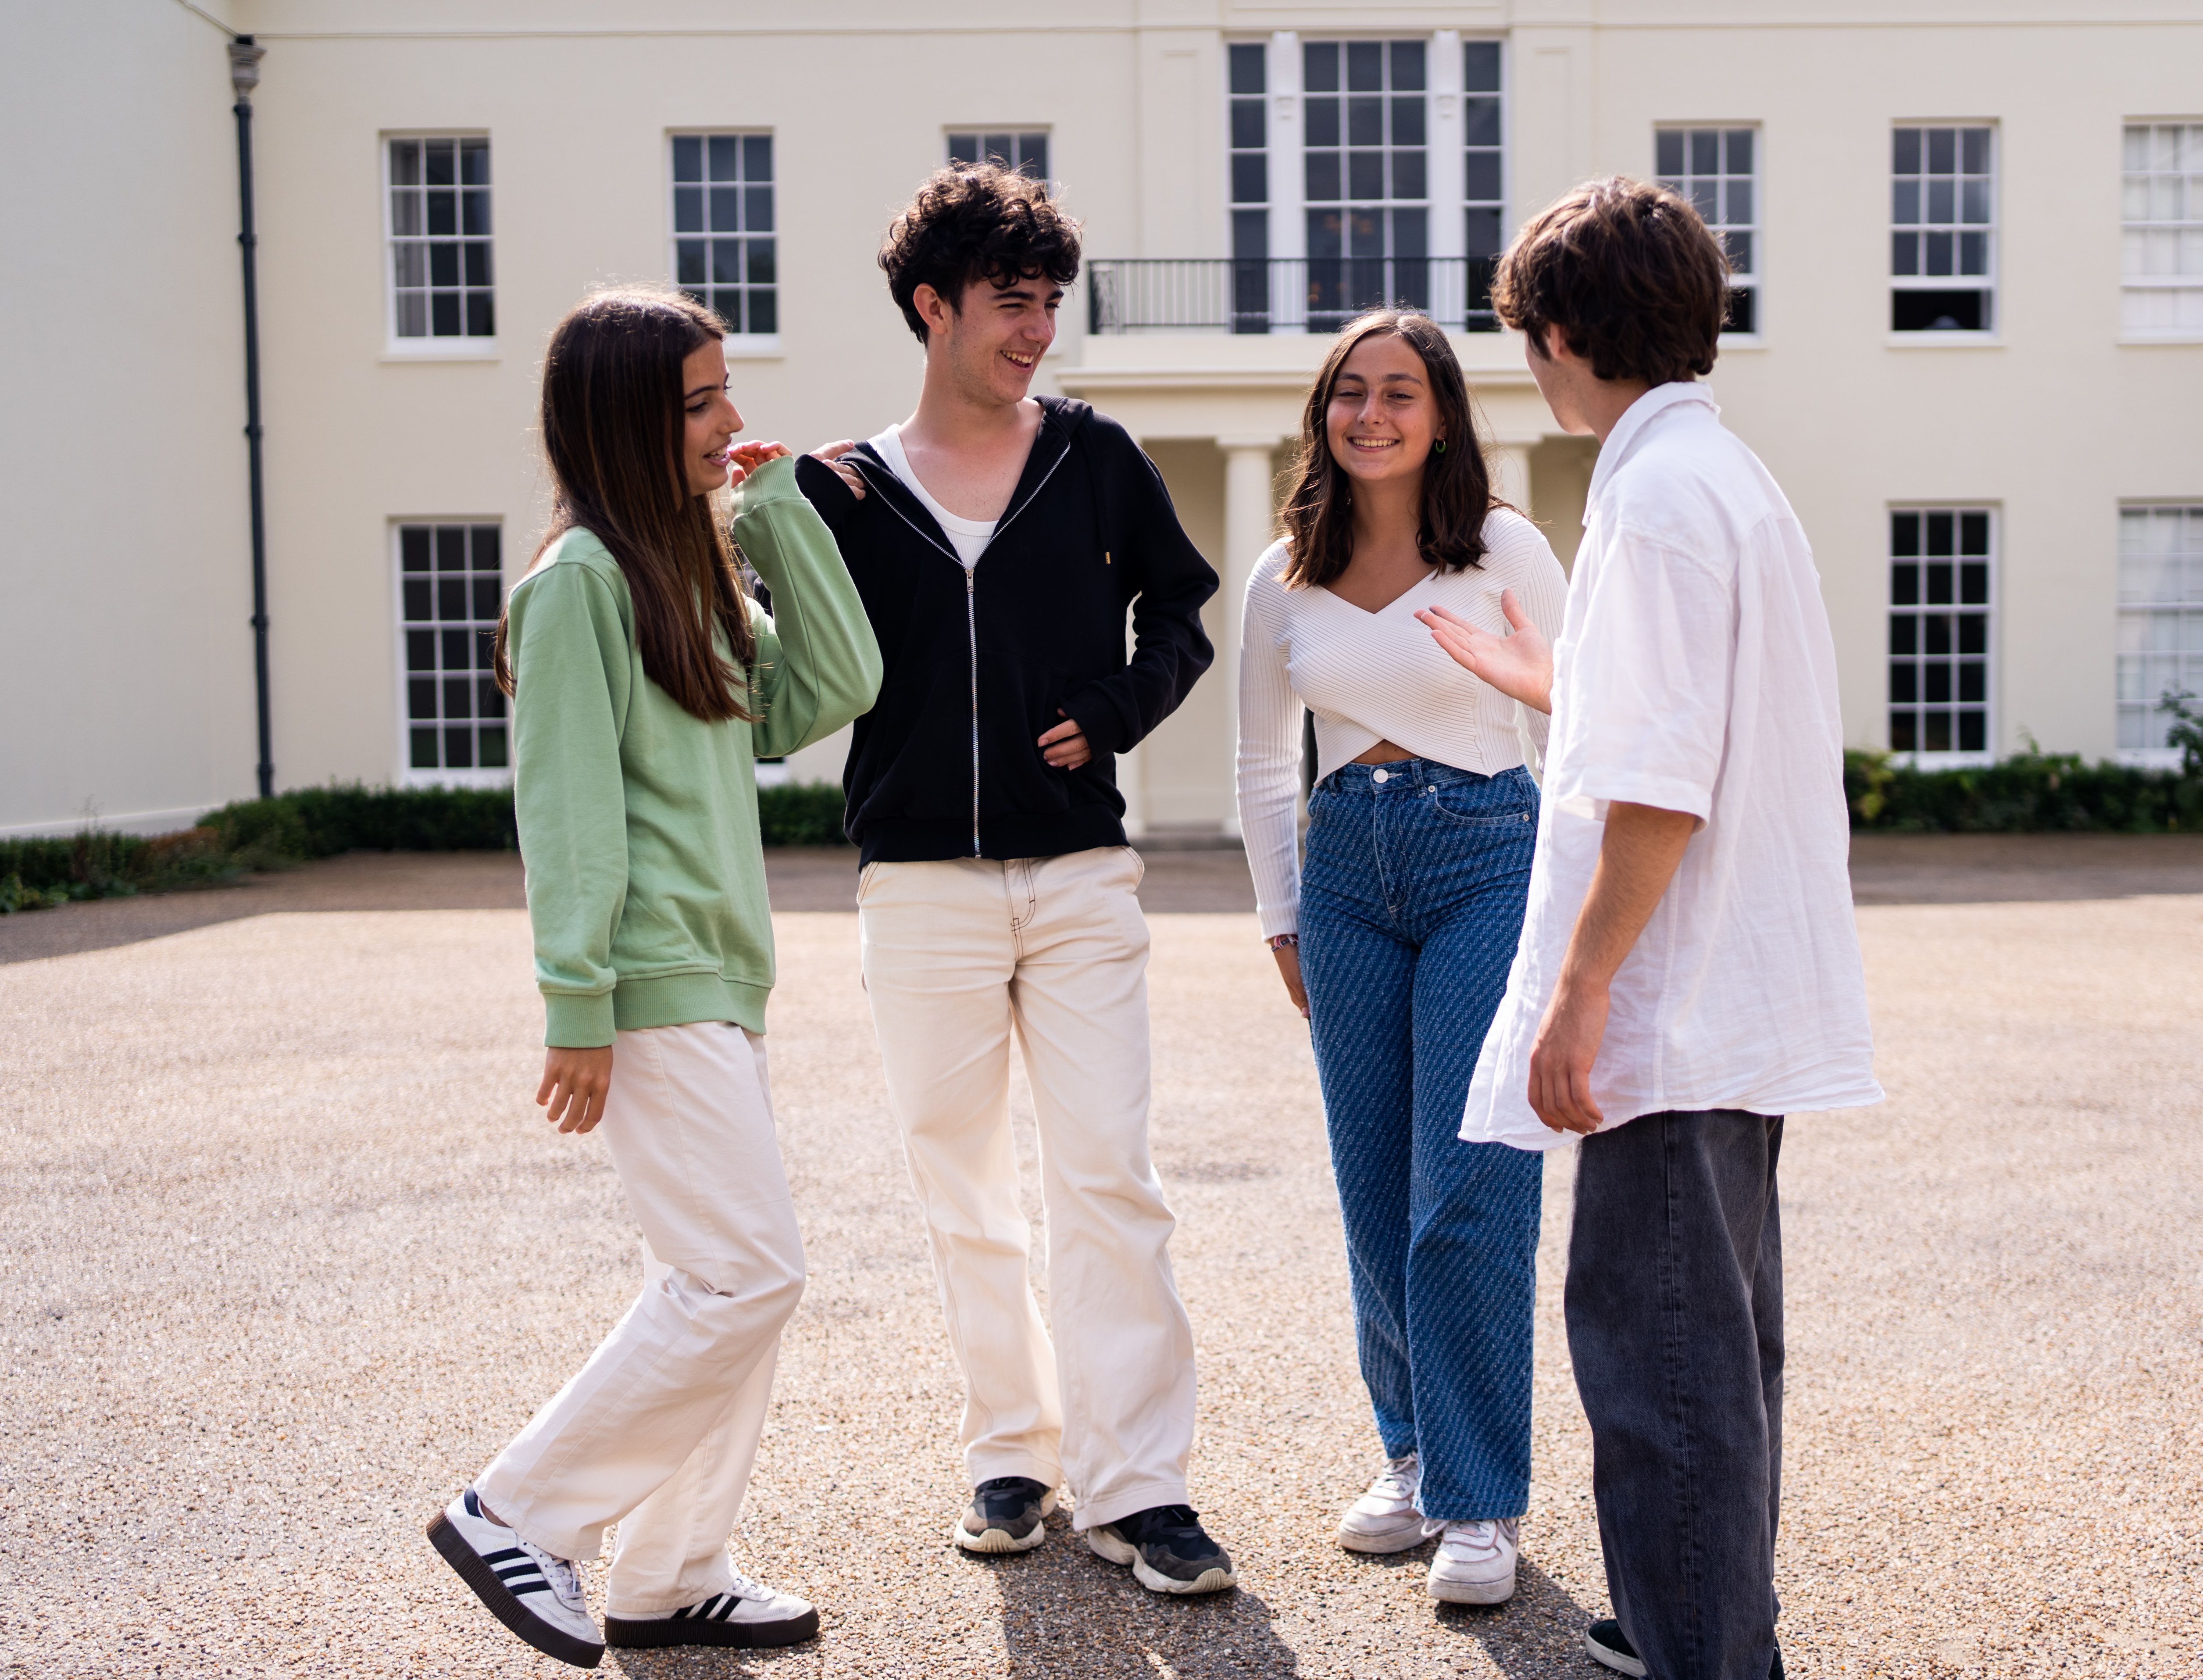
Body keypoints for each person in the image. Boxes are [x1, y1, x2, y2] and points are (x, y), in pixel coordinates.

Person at [1450, 181, 1883, 1679]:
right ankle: (1698, 1625)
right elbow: (1677, 727)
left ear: (1565, 330)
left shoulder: (1647, 501)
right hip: (1735, 1003)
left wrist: (1579, 999)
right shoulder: (1724, 478)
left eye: (1525, 339)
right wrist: (1546, 680)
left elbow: (1656, 787)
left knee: (1658, 1362)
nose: (1527, 368)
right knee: (1720, 1348)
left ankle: (1701, 1652)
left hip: (1674, 1007)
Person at [789, 164, 1232, 1594]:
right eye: (1009, 303)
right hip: (917, 884)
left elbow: (1181, 612)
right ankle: (1011, 1457)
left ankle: (1139, 1488)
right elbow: (782, 649)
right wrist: (774, 516)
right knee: (962, 1185)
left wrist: (1114, 708)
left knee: (1111, 1174)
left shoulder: (1095, 458)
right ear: (933, 306)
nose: (1037, 329)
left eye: (1050, 301)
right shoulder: (845, 489)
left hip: (1082, 876)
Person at [423, 287, 882, 1666]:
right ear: (627, 418)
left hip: (722, 979)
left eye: (724, 391)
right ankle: (517, 1511)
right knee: (743, 1279)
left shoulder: (684, 571)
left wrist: (776, 513)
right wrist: (579, 1006)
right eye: (699, 401)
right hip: (653, 978)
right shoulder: (576, 587)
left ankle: (672, 1575)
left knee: (724, 1279)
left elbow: (831, 688)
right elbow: (566, 815)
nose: (730, 419)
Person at [1234, 310, 1567, 1605]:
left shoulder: (1503, 548)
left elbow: (1591, 702)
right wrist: (1279, 915)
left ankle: (1481, 1502)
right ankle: (1416, 1453)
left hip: (1486, 855)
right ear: (1324, 413)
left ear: (1441, 416)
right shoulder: (1284, 573)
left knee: (1469, 1181)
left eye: (1401, 394)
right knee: (1373, 1183)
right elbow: (1266, 763)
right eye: (1349, 394)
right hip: (1344, 875)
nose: (1370, 415)